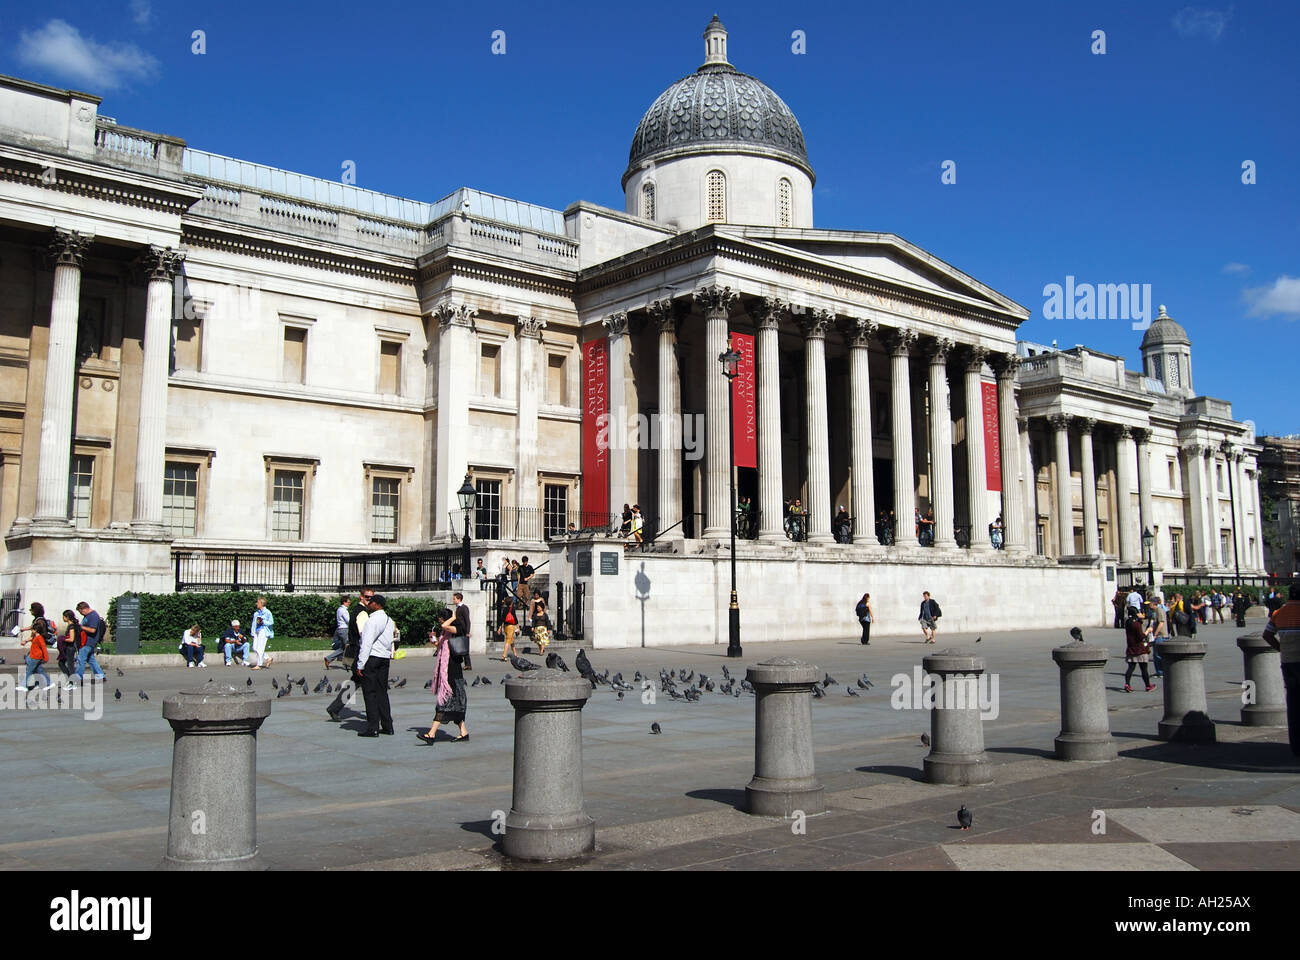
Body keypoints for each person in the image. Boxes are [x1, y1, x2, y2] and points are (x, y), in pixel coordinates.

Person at [1261, 590, 1300, 756]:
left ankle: (1296, 744)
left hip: (1289, 662)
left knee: (1293, 702)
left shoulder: (1279, 613)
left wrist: (1280, 648)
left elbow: (1267, 635)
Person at [327, 587, 372, 722]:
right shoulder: (362, 613)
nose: (370, 600)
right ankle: (373, 715)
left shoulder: (357, 611)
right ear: (361, 597)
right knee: (368, 685)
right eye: (367, 597)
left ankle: (334, 708)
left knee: (355, 682)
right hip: (359, 653)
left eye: (371, 597)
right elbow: (364, 635)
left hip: (355, 651)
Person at [355, 594, 395, 737]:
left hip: (372, 658)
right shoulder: (389, 620)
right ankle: (387, 725)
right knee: (382, 692)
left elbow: (366, 643)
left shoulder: (372, 621)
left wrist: (360, 664)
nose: (369, 604)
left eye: (371, 602)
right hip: (384, 658)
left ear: (377, 605)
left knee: (370, 693)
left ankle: (373, 727)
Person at [420, 626, 468, 743]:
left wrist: (452, 617)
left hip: (453, 674)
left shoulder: (456, 631)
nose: (440, 622)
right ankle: (464, 732)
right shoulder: (445, 633)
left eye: (441, 619)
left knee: (442, 705)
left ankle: (431, 734)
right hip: (448, 674)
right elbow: (441, 647)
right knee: (455, 707)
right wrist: (435, 641)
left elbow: (445, 625)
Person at [19, 601, 54, 691]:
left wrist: (45, 658)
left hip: (37, 654)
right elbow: (32, 628)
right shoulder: (37, 621)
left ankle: (23, 685)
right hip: (35, 652)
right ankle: (47, 683)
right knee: (37, 668)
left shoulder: (40, 629)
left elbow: (43, 648)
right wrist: (24, 632)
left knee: (30, 668)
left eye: (31, 609)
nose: (30, 611)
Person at [73, 601, 106, 683]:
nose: (81, 614)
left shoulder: (93, 616)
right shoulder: (88, 615)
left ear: (84, 609)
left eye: (80, 612)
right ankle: (100, 675)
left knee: (81, 659)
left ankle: (78, 678)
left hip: (88, 641)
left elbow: (92, 630)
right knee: (90, 659)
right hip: (87, 641)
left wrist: (81, 627)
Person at [1123, 608, 1156, 693]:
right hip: (1140, 648)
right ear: (1136, 614)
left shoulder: (1128, 622)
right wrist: (1147, 631)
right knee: (1144, 668)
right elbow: (1141, 637)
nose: (1141, 613)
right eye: (1139, 612)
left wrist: (1140, 620)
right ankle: (1148, 685)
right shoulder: (1137, 624)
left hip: (1131, 648)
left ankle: (1127, 684)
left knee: (1131, 667)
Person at [249, 597, 274, 669]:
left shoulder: (267, 612)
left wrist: (263, 622)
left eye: (258, 602)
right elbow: (254, 624)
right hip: (257, 631)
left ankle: (259, 664)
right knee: (254, 647)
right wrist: (252, 633)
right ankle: (267, 658)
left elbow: (271, 622)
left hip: (264, 630)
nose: (256, 604)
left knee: (260, 647)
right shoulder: (256, 613)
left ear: (262, 603)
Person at [56, 609, 80, 682]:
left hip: (70, 648)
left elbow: (72, 639)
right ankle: (70, 678)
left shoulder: (71, 626)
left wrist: (62, 639)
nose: (63, 618)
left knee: (70, 665)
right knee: (61, 663)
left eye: (64, 617)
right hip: (68, 647)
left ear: (67, 617)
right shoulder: (70, 625)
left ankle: (72, 681)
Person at [326, 597, 350, 668]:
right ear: (344, 602)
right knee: (348, 647)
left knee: (342, 648)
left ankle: (328, 658)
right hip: (344, 629)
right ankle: (348, 664)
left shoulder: (339, 609)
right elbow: (348, 620)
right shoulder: (344, 610)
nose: (349, 604)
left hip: (339, 630)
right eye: (348, 602)